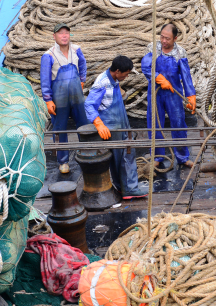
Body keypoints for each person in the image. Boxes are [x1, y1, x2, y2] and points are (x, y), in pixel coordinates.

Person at [85, 55, 149, 200]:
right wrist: (99, 124)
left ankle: (122, 187)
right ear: (117, 71)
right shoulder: (102, 83)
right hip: (111, 126)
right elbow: (89, 104)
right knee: (124, 157)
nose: (126, 77)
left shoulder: (113, 79)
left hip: (121, 122)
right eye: (125, 75)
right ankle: (129, 189)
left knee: (122, 156)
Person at [141, 23, 196, 168]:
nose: (164, 41)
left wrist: (191, 96)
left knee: (178, 123)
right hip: (156, 93)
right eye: (162, 37)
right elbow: (146, 67)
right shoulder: (152, 48)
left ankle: (183, 157)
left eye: (168, 39)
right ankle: (157, 157)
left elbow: (186, 76)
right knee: (155, 124)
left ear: (175, 38)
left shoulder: (180, 53)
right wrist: (159, 78)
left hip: (173, 94)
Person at [40, 24, 88, 175]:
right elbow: (45, 79)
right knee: (60, 129)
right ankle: (63, 161)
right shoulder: (48, 56)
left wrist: (82, 80)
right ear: (54, 36)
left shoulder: (76, 50)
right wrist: (48, 99)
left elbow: (83, 64)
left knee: (84, 125)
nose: (64, 35)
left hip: (77, 96)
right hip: (59, 98)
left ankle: (87, 152)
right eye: (60, 33)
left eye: (66, 33)